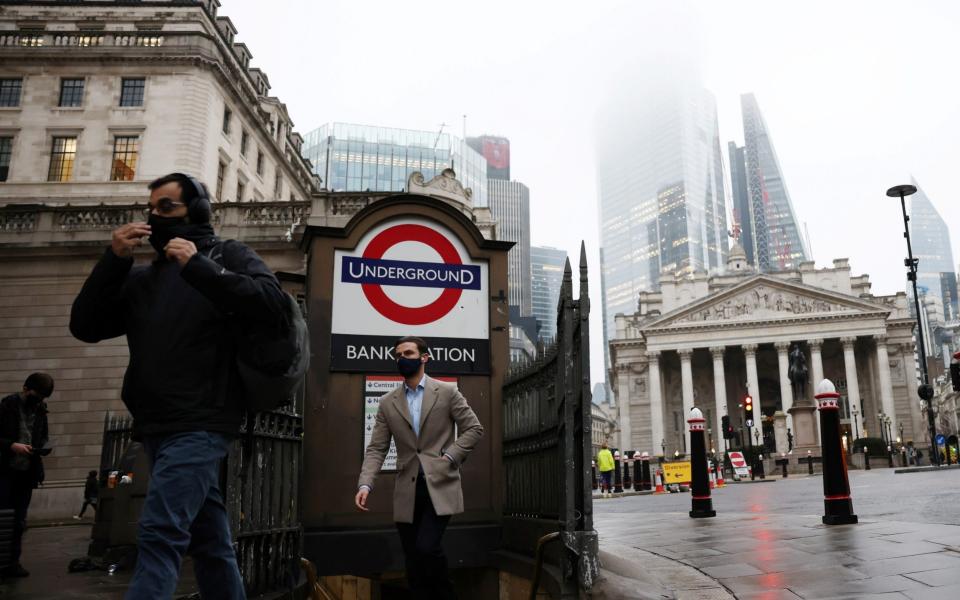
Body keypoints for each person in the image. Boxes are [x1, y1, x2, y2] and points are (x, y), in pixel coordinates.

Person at [70, 173, 288, 600]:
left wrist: (201, 268)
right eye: (151, 209)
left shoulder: (226, 255)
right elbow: (85, 326)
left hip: (203, 420)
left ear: (199, 211)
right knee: (209, 543)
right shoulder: (142, 279)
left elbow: (274, 306)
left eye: (166, 207)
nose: (155, 217)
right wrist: (113, 260)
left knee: (159, 531)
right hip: (155, 424)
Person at [355, 337, 484, 600]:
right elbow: (377, 448)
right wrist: (365, 484)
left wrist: (449, 456)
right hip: (407, 489)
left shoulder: (446, 392)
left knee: (427, 547)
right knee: (413, 559)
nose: (403, 357)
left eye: (409, 352)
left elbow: (474, 428)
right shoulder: (388, 402)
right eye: (398, 354)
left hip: (441, 484)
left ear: (424, 357)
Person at [0, 372, 54, 578]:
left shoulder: (40, 410)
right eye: (36, 395)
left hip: (27, 472)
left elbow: (43, 437)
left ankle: (12, 562)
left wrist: (43, 447)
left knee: (19, 520)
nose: (39, 401)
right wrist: (12, 446)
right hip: (5, 470)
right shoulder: (7, 406)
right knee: (3, 517)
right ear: (25, 389)